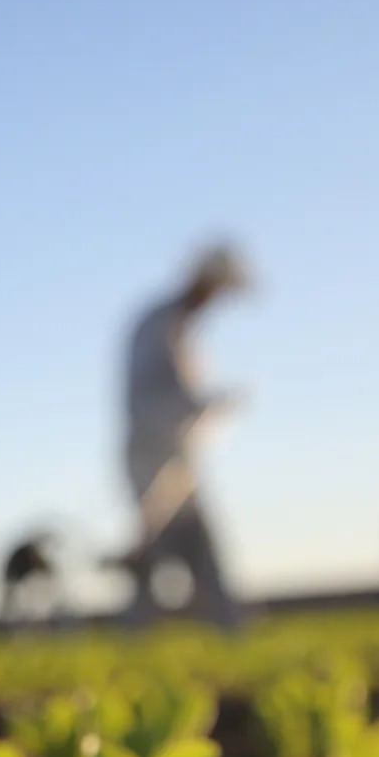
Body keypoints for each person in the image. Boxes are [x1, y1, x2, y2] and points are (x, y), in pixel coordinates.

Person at [117, 243, 252, 627]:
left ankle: (228, 627)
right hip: (153, 457)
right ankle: (138, 634)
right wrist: (211, 403)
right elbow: (158, 399)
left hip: (175, 457)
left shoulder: (177, 326)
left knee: (194, 547)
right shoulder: (161, 325)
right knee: (158, 548)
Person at [0, 530, 63, 625]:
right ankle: (9, 622)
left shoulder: (30, 554)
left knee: (15, 602)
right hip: (13, 576)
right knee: (12, 604)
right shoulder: (27, 553)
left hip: (18, 577)